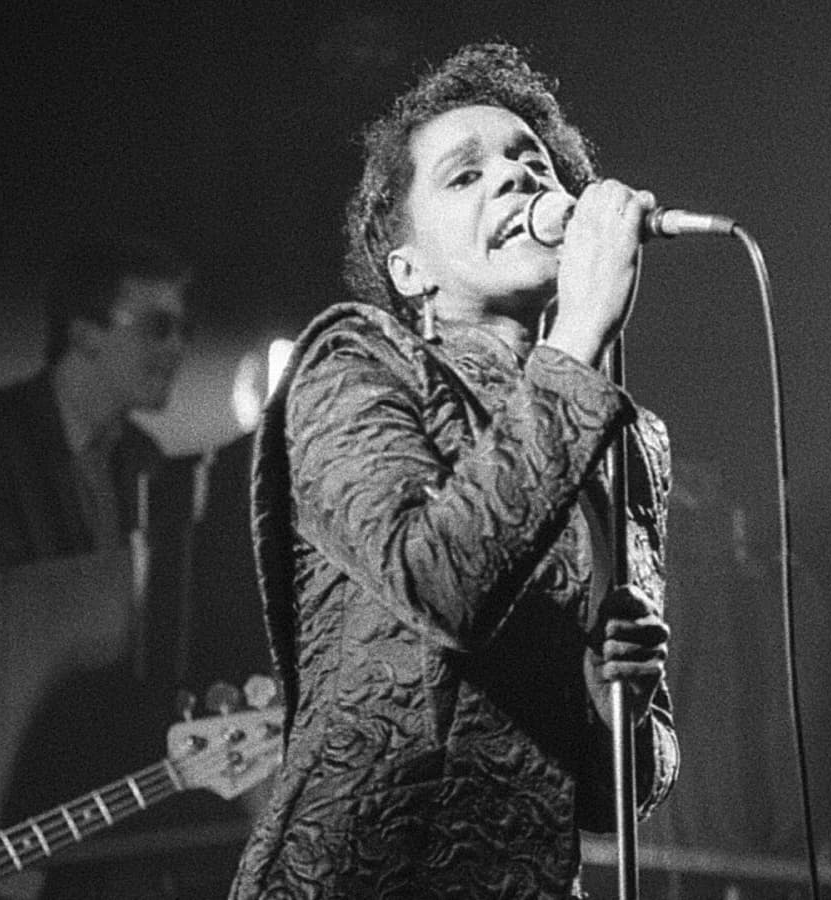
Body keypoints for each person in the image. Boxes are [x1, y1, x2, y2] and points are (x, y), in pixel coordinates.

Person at [229, 43, 679, 899]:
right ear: (409, 271)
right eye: (464, 176)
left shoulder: (624, 438)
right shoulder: (353, 362)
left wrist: (611, 702)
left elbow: (625, 790)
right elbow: (435, 579)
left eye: (531, 162)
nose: (514, 178)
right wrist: (577, 335)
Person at [0, 236, 214, 899]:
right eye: (159, 326)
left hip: (97, 789)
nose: (178, 348)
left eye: (187, 329)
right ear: (83, 331)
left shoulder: (145, 456)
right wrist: (138, 580)